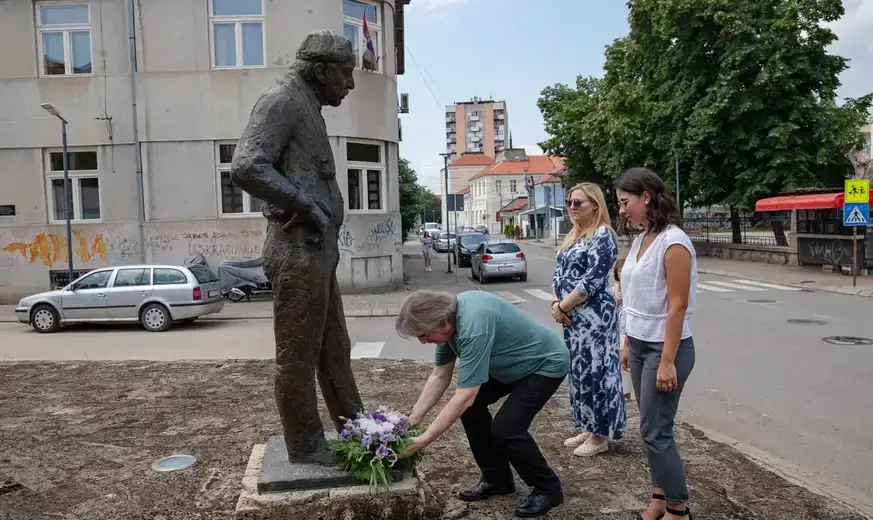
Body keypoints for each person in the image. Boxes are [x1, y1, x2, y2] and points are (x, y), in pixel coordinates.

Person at [230, 30, 362, 465]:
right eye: (345, 73)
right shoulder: (282, 100)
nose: (350, 83)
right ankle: (304, 445)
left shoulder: (309, 106)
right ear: (321, 69)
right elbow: (247, 166)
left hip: (317, 250)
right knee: (297, 356)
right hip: (296, 248)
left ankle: (358, 431)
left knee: (335, 348)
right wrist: (305, 204)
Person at [396, 290, 569, 518]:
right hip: (508, 366)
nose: (424, 341)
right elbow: (440, 376)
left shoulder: (473, 326)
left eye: (425, 334)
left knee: (506, 429)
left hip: (544, 364)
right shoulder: (450, 322)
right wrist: (411, 421)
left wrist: (421, 441)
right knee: (471, 410)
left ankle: (548, 489)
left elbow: (464, 396)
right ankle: (497, 479)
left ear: (444, 323)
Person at [615, 167, 696, 520]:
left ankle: (678, 507)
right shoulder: (643, 237)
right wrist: (626, 341)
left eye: (625, 202)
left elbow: (676, 305)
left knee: (657, 430)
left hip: (668, 349)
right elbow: (635, 298)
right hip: (640, 344)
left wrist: (667, 361)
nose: (622, 209)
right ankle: (659, 496)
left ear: (646, 197)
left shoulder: (673, 241)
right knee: (649, 427)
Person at [551, 183, 626, 457]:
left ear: (595, 205)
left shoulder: (602, 235)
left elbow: (592, 279)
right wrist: (556, 305)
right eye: (570, 202)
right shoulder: (573, 235)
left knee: (598, 372)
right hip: (573, 317)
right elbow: (559, 275)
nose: (572, 207)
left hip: (595, 317)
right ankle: (587, 423)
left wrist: (563, 305)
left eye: (578, 202)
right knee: (579, 373)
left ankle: (600, 433)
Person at [611, 259, 633, 401]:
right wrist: (615, 301)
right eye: (619, 270)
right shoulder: (613, 290)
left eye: (624, 270)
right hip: (616, 329)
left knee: (627, 361)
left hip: (629, 329)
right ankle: (620, 392)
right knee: (618, 362)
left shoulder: (633, 287)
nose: (621, 273)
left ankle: (627, 394)